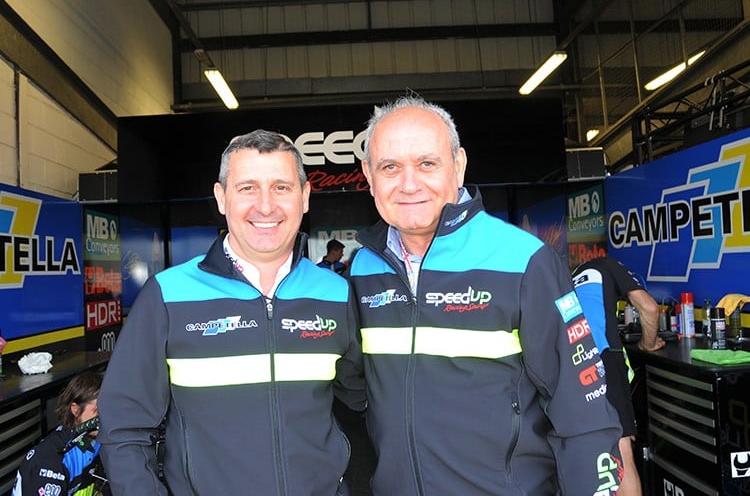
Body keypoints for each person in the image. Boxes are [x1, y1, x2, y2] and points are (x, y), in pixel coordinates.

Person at [348, 95, 624, 494]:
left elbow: (583, 409)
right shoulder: (364, 268)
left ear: (458, 165)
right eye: (390, 167)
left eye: (427, 164)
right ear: (369, 175)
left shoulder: (524, 260)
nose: (409, 184)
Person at [97, 129, 365, 495]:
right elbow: (123, 425)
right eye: (248, 188)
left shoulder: (337, 293)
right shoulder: (167, 295)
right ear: (222, 197)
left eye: (282, 187)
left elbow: (365, 404)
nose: (266, 206)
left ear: (304, 197)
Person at [572, 256, 665, 496]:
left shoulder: (570, 277)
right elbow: (649, 308)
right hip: (604, 359)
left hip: (572, 362)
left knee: (592, 449)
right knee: (621, 448)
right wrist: (648, 344)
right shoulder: (608, 266)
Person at [12, 371, 109, 496]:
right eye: (98, 411)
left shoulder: (97, 439)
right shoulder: (51, 460)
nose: (106, 417)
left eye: (108, 409)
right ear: (76, 410)